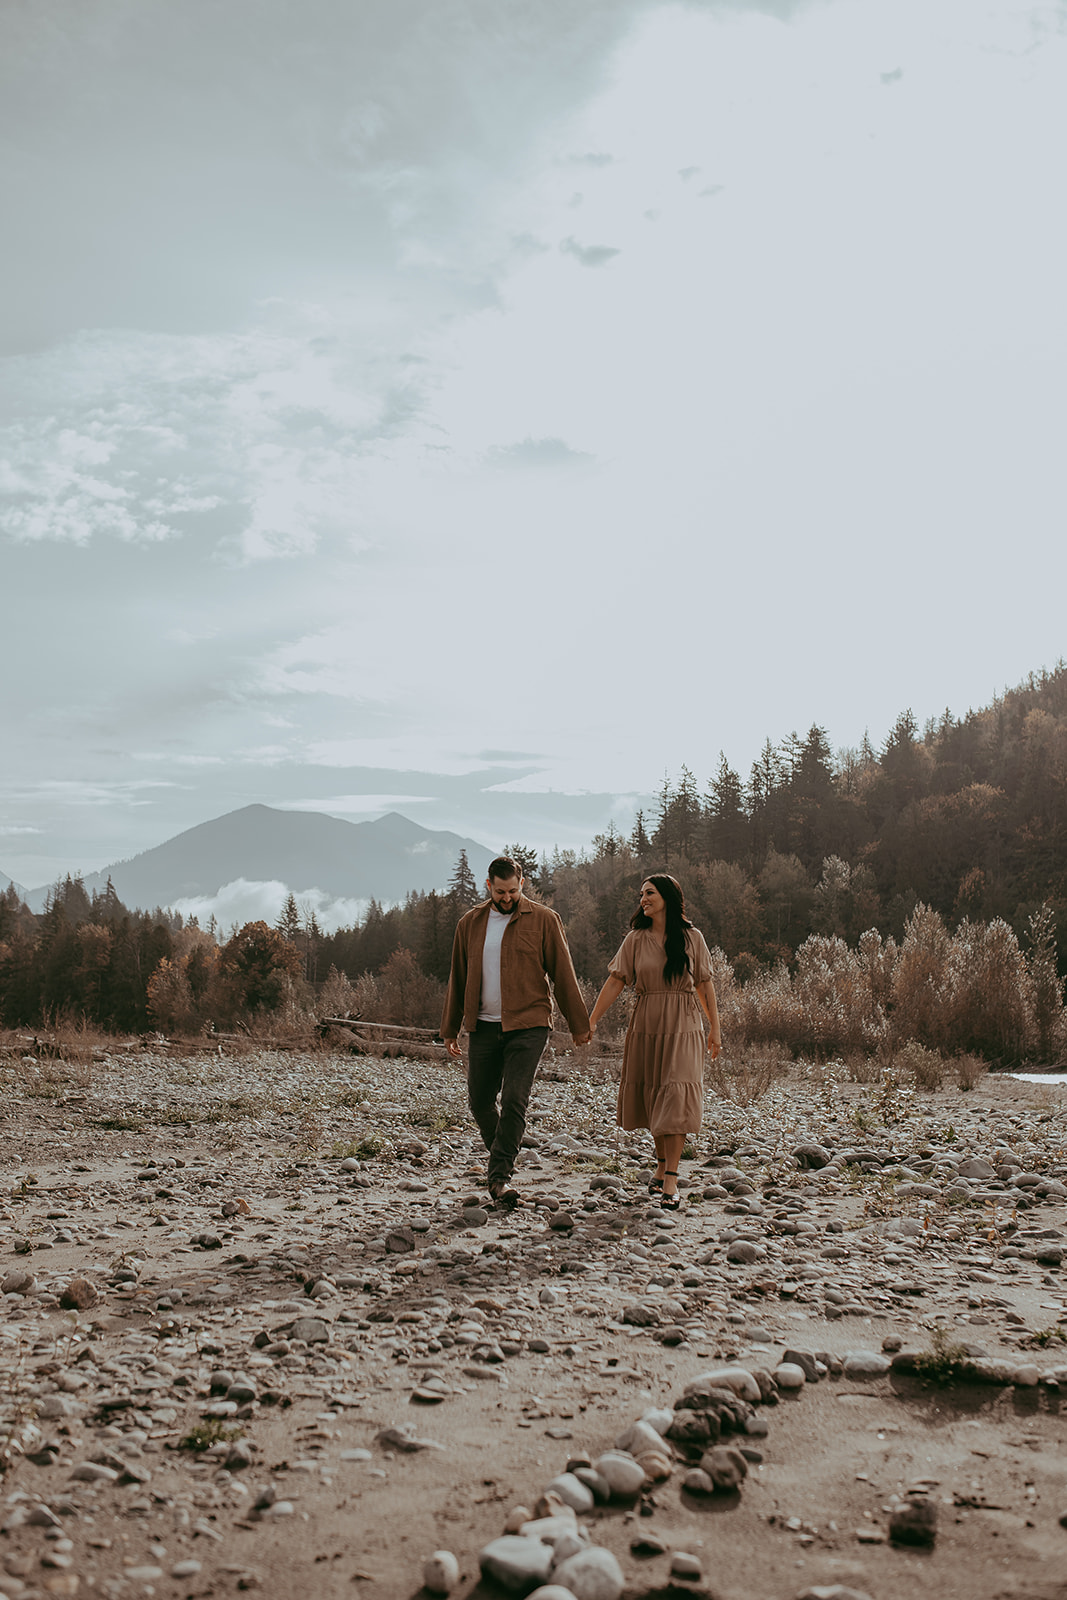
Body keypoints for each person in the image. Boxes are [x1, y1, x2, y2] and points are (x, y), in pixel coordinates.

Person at [442, 856, 591, 1206]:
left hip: (529, 1024)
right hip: (483, 1026)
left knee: (514, 1099)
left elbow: (563, 974)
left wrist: (578, 1024)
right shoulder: (470, 923)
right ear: (489, 886)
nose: (507, 897)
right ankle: (503, 1153)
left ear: (521, 884)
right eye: (500, 891)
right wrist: (450, 1029)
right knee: (479, 1101)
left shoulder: (543, 920)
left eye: (513, 890)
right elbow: (458, 977)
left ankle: (499, 1178)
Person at [588, 873, 721, 1209]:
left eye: (649, 893)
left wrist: (715, 1028)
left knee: (675, 1094)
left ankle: (672, 1179)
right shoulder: (635, 939)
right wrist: (590, 1020)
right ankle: (661, 1165)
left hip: (684, 1023)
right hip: (647, 1021)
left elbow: (705, 986)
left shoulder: (693, 938)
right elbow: (616, 983)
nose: (643, 899)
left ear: (667, 898)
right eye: (641, 895)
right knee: (653, 1094)